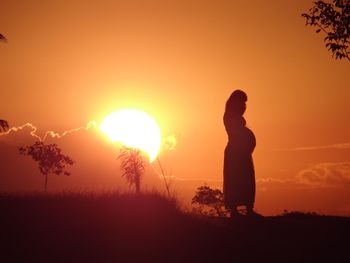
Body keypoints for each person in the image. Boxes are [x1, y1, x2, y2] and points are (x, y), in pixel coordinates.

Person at [223, 90, 258, 217]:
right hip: (235, 153)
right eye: (242, 103)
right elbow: (236, 133)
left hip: (242, 152)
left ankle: (249, 209)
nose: (244, 106)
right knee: (235, 179)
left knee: (247, 179)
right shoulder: (230, 116)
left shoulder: (235, 116)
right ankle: (234, 210)